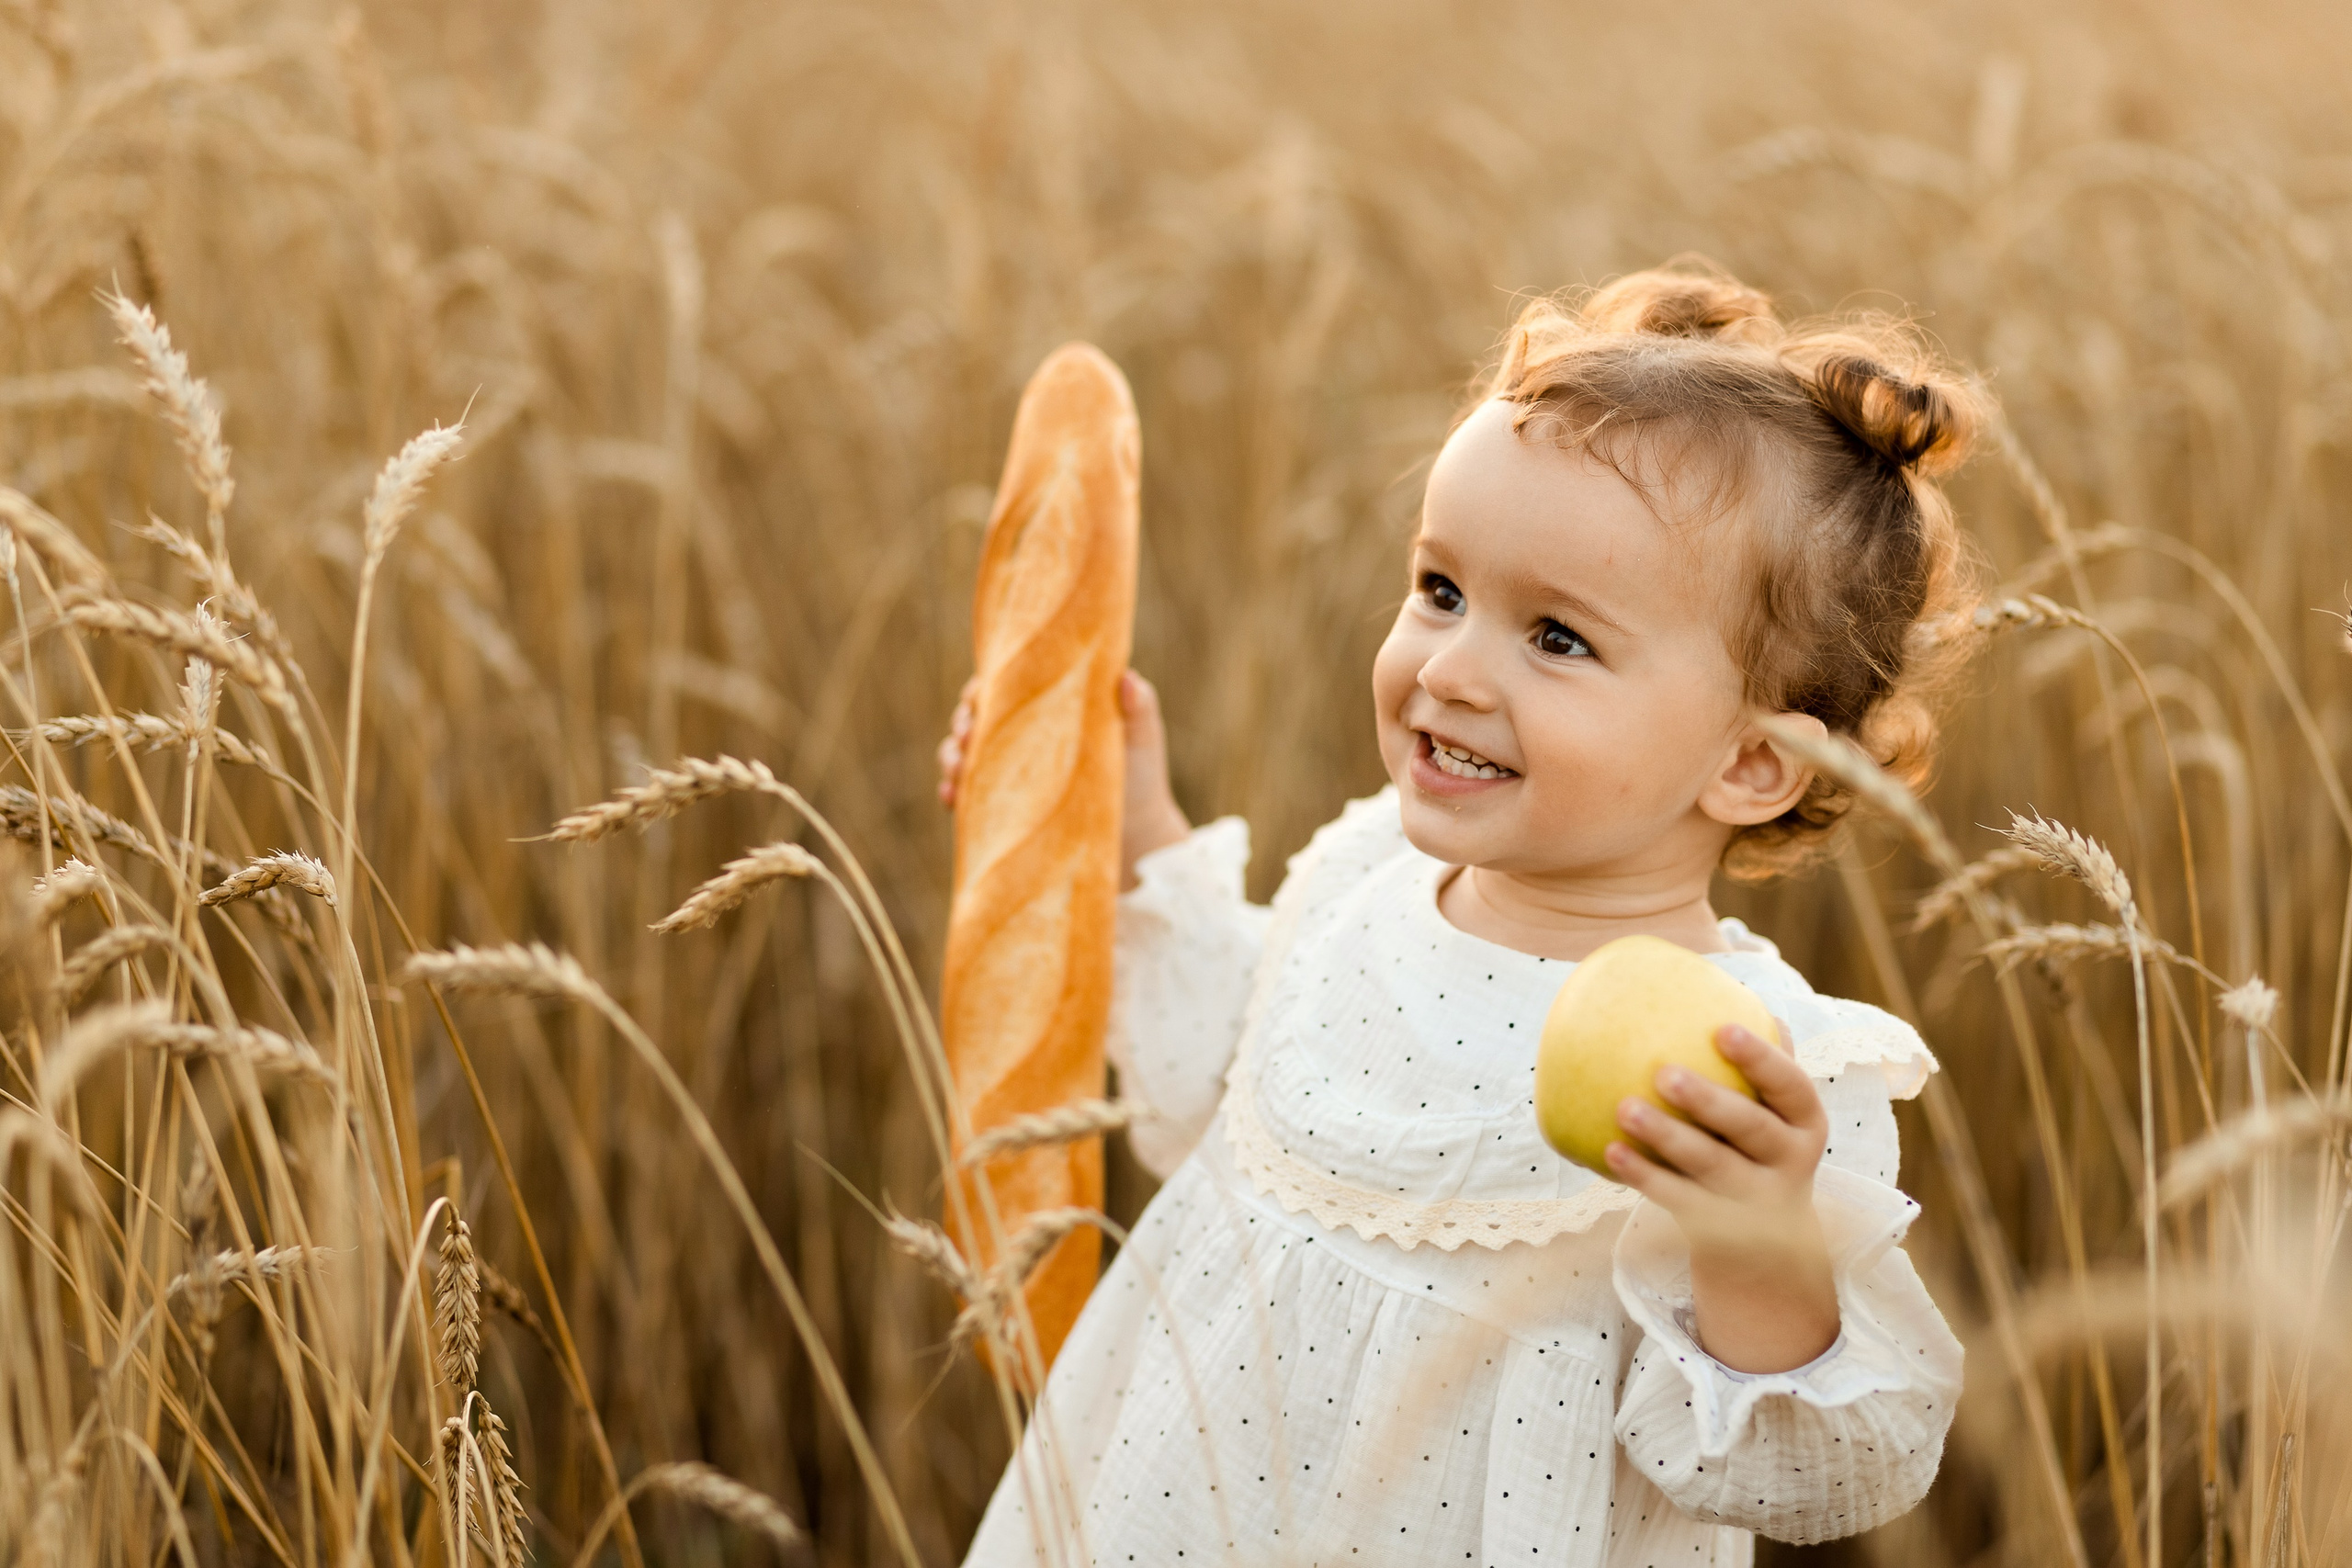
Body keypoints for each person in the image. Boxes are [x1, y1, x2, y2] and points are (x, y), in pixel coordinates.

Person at [939, 264, 1972, 1564]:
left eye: (1558, 639)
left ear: (1755, 765)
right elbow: (1219, 1097)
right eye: (1441, 591)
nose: (1452, 669)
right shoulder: (1367, 877)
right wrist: (1125, 825)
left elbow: (1826, 1477)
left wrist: (1754, 1247)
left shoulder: (1748, 1071)